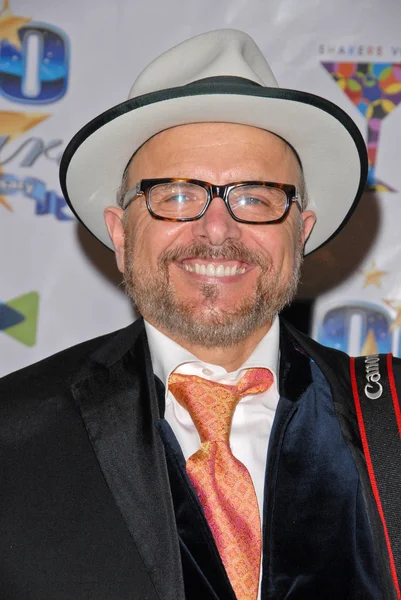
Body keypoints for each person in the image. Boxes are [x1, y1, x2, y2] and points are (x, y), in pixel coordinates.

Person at [0, 29, 400, 600]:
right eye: (178, 195)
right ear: (120, 234)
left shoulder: (391, 420)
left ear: (300, 234)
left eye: (256, 197)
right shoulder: (13, 439)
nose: (218, 230)